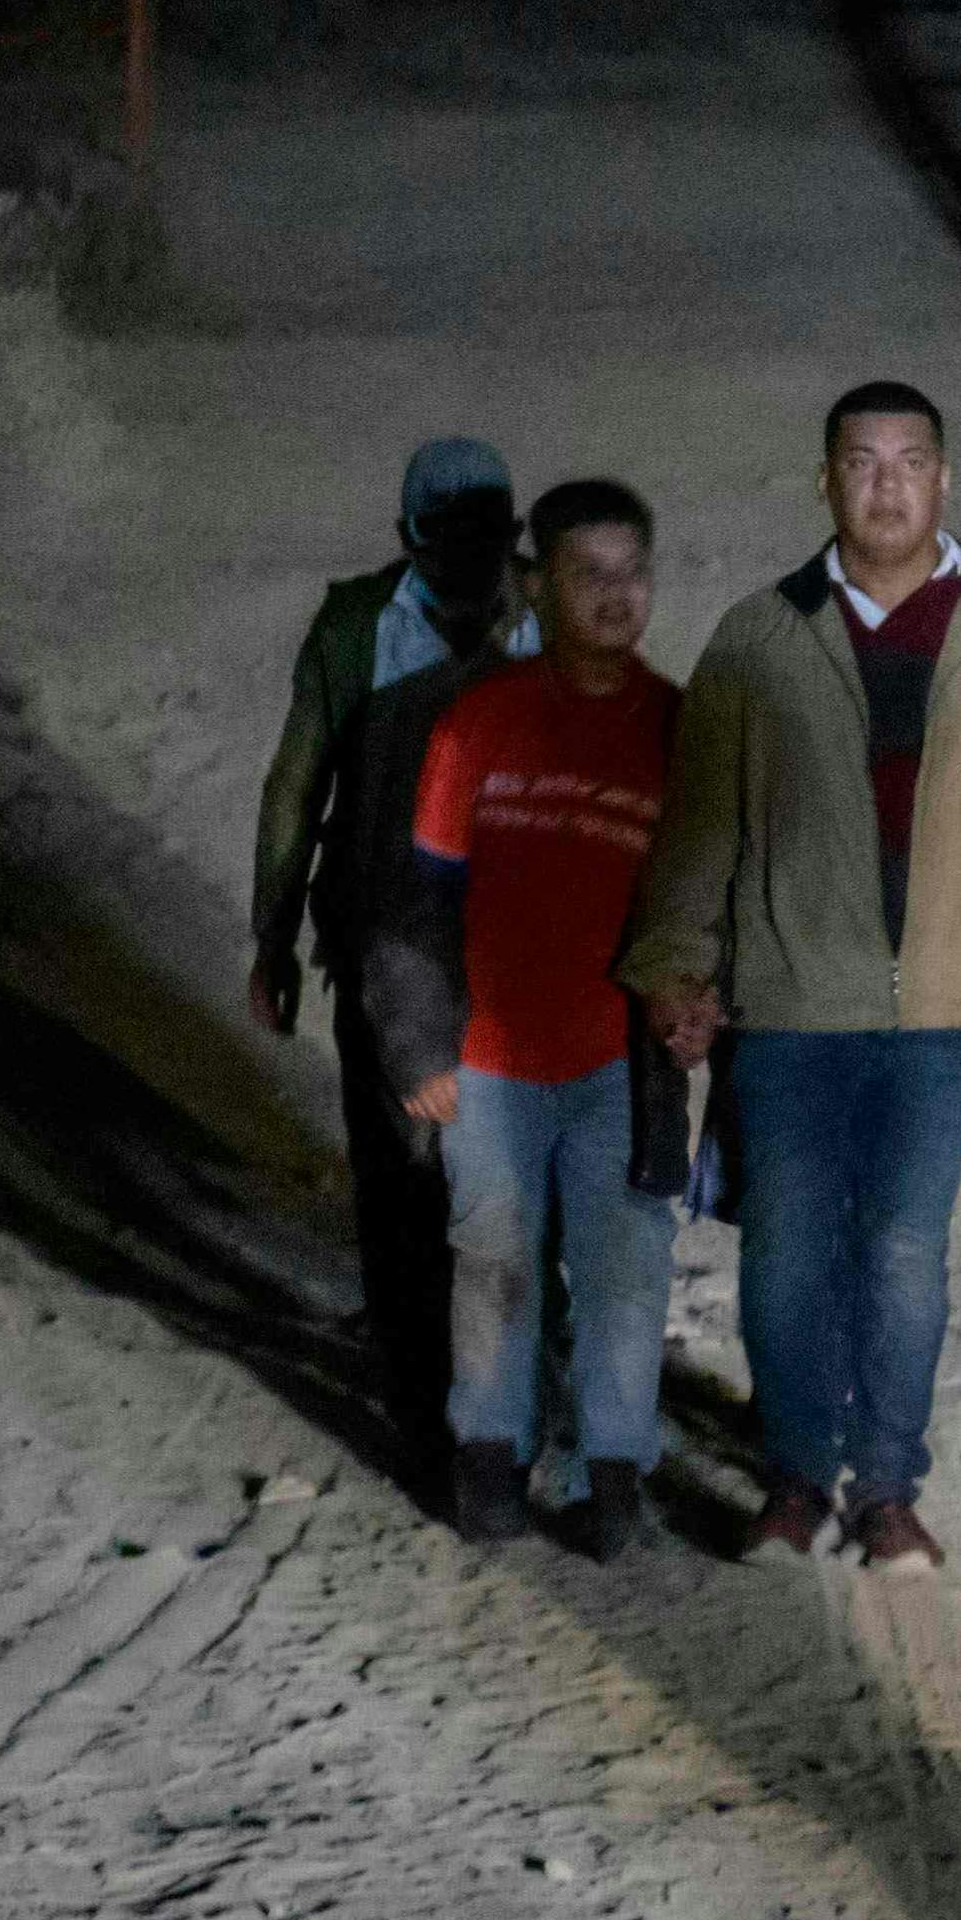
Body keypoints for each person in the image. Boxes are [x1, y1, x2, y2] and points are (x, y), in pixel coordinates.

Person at [618, 378, 961, 1571]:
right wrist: (675, 969)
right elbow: (700, 824)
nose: (884, 483)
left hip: (941, 1010)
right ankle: (794, 1477)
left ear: (945, 477)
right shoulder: (758, 636)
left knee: (898, 1247)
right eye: (860, 461)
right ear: (824, 479)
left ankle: (885, 1487)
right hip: (786, 1005)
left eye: (907, 460)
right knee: (783, 1245)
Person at [361, 479, 688, 1552]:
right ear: (534, 583)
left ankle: (613, 1477)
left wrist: (701, 1006)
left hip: (618, 1063)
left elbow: (706, 907)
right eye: (585, 573)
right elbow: (415, 902)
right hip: (491, 1060)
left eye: (630, 571)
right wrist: (415, 1039)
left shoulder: (679, 731)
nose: (613, 595)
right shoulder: (475, 724)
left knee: (623, 1271)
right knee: (491, 1262)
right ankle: (488, 1462)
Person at [251, 434, 531, 1453]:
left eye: (482, 536)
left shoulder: (536, 617)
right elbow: (298, 786)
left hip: (510, 956)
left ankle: (467, 1391)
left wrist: (271, 940)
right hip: (386, 952)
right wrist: (276, 936)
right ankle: (429, 1396)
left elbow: (291, 788)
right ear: (408, 540)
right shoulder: (360, 627)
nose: (466, 557)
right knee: (405, 1180)